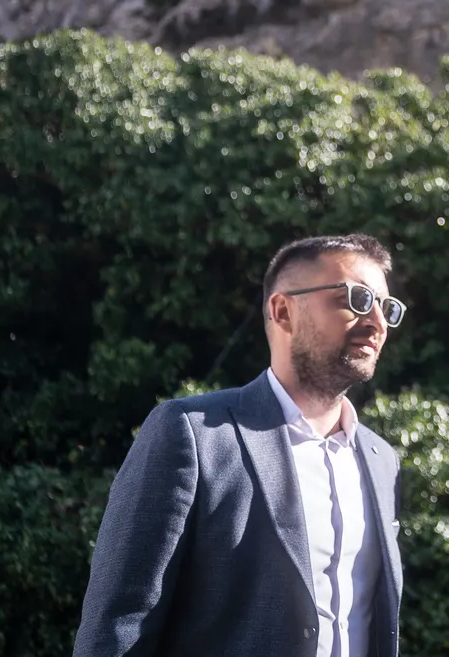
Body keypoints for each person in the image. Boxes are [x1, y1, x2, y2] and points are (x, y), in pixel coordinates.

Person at [73, 233, 407, 657]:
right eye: (357, 299)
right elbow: (117, 628)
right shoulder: (193, 434)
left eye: (387, 307)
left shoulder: (380, 460)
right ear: (283, 310)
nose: (377, 321)